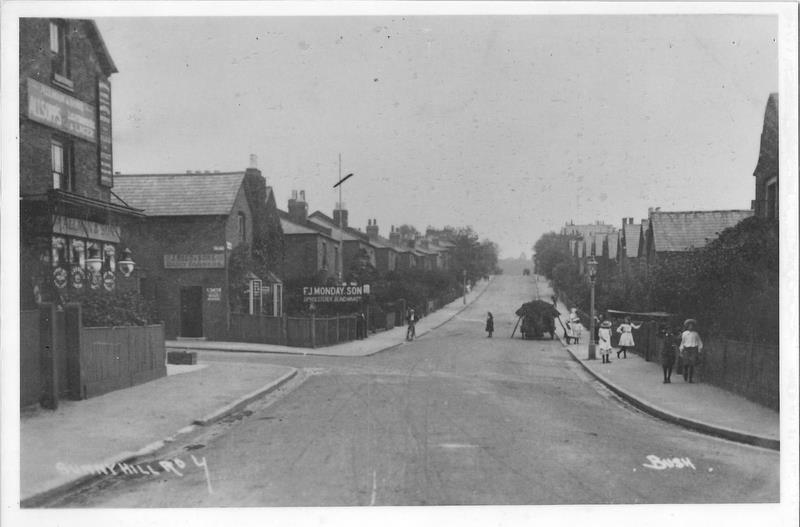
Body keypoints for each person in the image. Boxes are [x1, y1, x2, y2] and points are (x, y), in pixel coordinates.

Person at [679, 319, 703, 383]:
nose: (691, 327)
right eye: (689, 326)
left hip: (693, 349)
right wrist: (681, 349)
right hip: (686, 349)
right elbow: (682, 342)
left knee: (692, 364)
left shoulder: (696, 334)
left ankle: (690, 378)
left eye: (692, 326)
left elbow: (699, 342)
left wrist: (699, 349)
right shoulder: (684, 333)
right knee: (686, 363)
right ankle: (685, 373)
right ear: (687, 326)